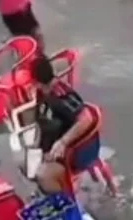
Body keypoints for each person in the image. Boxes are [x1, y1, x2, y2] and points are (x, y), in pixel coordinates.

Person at [30, 56, 95, 195]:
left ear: (35, 82)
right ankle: (48, 190)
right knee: (26, 163)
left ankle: (65, 202)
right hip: (50, 149)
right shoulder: (41, 94)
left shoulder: (61, 95)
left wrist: (62, 143)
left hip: (74, 152)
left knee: (42, 174)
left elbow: (87, 118)